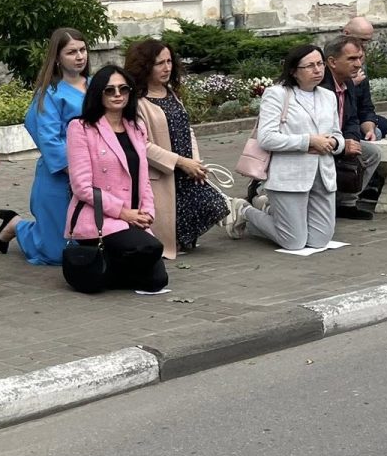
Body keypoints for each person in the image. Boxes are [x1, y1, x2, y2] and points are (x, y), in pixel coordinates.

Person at [225, 45, 346, 252]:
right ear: (293, 71)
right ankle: (244, 210)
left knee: (319, 241)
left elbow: (337, 134)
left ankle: (270, 209)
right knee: (293, 242)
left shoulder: (328, 96)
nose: (317, 70)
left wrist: (335, 143)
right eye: (310, 66)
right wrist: (308, 141)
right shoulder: (277, 94)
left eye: (320, 64)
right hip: (289, 176)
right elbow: (266, 138)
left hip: (323, 174)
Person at [63, 65, 168, 293]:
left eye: (123, 89)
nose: (118, 94)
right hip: (101, 218)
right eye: (109, 90)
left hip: (132, 218)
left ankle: (109, 268)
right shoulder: (80, 128)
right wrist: (123, 213)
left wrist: (147, 213)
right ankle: (102, 265)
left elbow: (143, 178)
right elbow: (81, 187)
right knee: (150, 248)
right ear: (98, 93)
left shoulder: (136, 127)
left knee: (157, 281)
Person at [0, 28, 89, 264]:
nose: (79, 56)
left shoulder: (97, 86)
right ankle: (17, 226)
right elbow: (49, 139)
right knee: (57, 253)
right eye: (71, 52)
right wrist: (75, 172)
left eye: (83, 50)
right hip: (61, 174)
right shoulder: (50, 93)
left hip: (97, 170)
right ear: (57, 58)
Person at [125, 39, 227, 257]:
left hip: (186, 169)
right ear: (145, 66)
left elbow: (187, 129)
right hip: (162, 172)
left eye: (169, 61)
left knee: (215, 205)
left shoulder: (170, 92)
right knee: (168, 220)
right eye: (159, 63)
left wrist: (195, 162)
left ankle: (183, 239)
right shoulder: (136, 101)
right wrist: (179, 162)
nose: (167, 68)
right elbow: (141, 144)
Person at [321, 35, 383, 220]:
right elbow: (319, 127)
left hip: (341, 139)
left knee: (372, 152)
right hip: (320, 141)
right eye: (351, 59)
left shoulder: (347, 82)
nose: (358, 64)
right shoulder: (321, 86)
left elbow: (353, 118)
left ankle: (346, 203)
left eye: (359, 58)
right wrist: (342, 144)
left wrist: (352, 139)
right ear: (332, 62)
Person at [341, 16, 387, 139]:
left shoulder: (360, 68)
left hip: (357, 119)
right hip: (340, 125)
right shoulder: (328, 63)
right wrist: (350, 84)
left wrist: (370, 129)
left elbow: (366, 109)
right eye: (362, 40)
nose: (364, 45)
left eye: (360, 59)